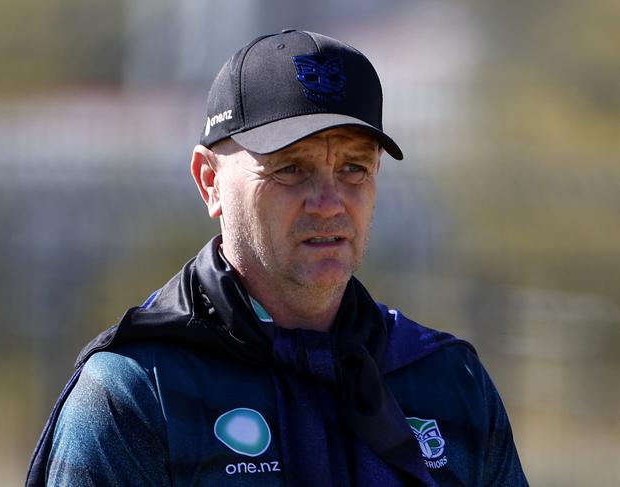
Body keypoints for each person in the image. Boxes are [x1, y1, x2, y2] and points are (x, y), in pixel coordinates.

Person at [26, 30, 528, 486]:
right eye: (290, 168)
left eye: (354, 168)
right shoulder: (137, 395)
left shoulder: (448, 382)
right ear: (209, 181)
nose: (329, 202)